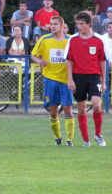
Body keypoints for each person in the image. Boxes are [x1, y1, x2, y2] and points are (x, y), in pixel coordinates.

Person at [65, 11, 110, 147]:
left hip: (94, 76)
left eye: (82, 24)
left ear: (89, 24)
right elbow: (69, 61)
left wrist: (103, 81)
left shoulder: (99, 40)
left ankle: (98, 134)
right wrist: (70, 79)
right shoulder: (72, 39)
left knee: (96, 105)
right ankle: (86, 140)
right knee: (81, 109)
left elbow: (103, 61)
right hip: (78, 77)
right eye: (77, 23)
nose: (79, 26)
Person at [31, 16, 75, 146]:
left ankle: (70, 139)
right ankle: (57, 137)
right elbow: (33, 55)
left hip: (66, 80)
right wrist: (39, 61)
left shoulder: (71, 40)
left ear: (62, 26)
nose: (53, 26)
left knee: (68, 109)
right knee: (53, 111)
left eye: (55, 24)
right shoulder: (45, 39)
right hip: (50, 80)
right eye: (51, 24)